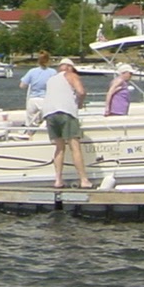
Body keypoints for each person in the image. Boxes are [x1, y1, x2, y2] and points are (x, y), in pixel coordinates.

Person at [44, 57, 92, 188]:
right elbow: (81, 91)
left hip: (49, 114)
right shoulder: (71, 75)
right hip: (66, 112)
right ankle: (84, 180)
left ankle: (58, 180)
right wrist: (80, 104)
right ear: (69, 67)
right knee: (75, 147)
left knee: (59, 148)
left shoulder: (51, 79)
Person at [18, 51, 55, 124]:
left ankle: (30, 133)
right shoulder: (52, 72)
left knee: (31, 123)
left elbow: (22, 85)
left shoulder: (32, 71)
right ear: (48, 60)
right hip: (46, 100)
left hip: (33, 100)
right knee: (46, 122)